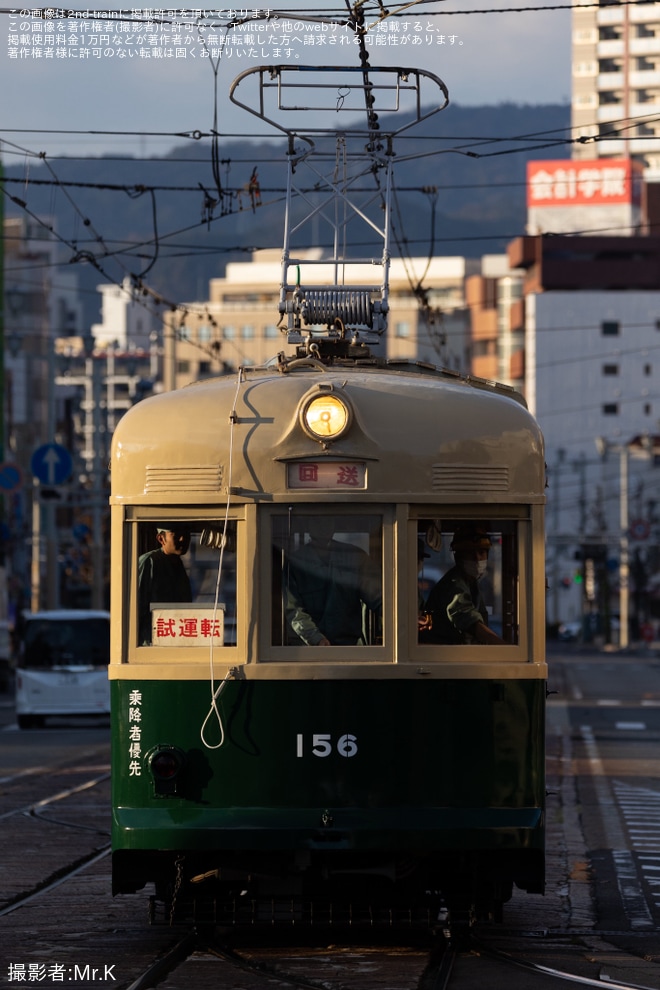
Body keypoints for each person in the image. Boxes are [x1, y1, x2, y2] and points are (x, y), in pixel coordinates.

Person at [285, 518, 382, 646]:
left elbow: (380, 598)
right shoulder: (296, 563)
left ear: (334, 525)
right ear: (308, 525)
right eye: (317, 520)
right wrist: (315, 638)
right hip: (307, 649)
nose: (323, 526)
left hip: (347, 645)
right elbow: (293, 609)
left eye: (327, 520)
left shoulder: (355, 557)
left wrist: (402, 621)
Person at [423, 526, 503, 645]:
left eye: (481, 552)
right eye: (470, 553)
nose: (477, 558)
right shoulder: (453, 584)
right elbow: (468, 620)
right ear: (458, 557)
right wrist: (503, 647)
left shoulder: (472, 583)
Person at [138, 525, 192, 644]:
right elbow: (136, 607)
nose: (183, 539)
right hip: (152, 642)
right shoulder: (149, 561)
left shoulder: (178, 564)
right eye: (176, 535)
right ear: (161, 539)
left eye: (187, 534)